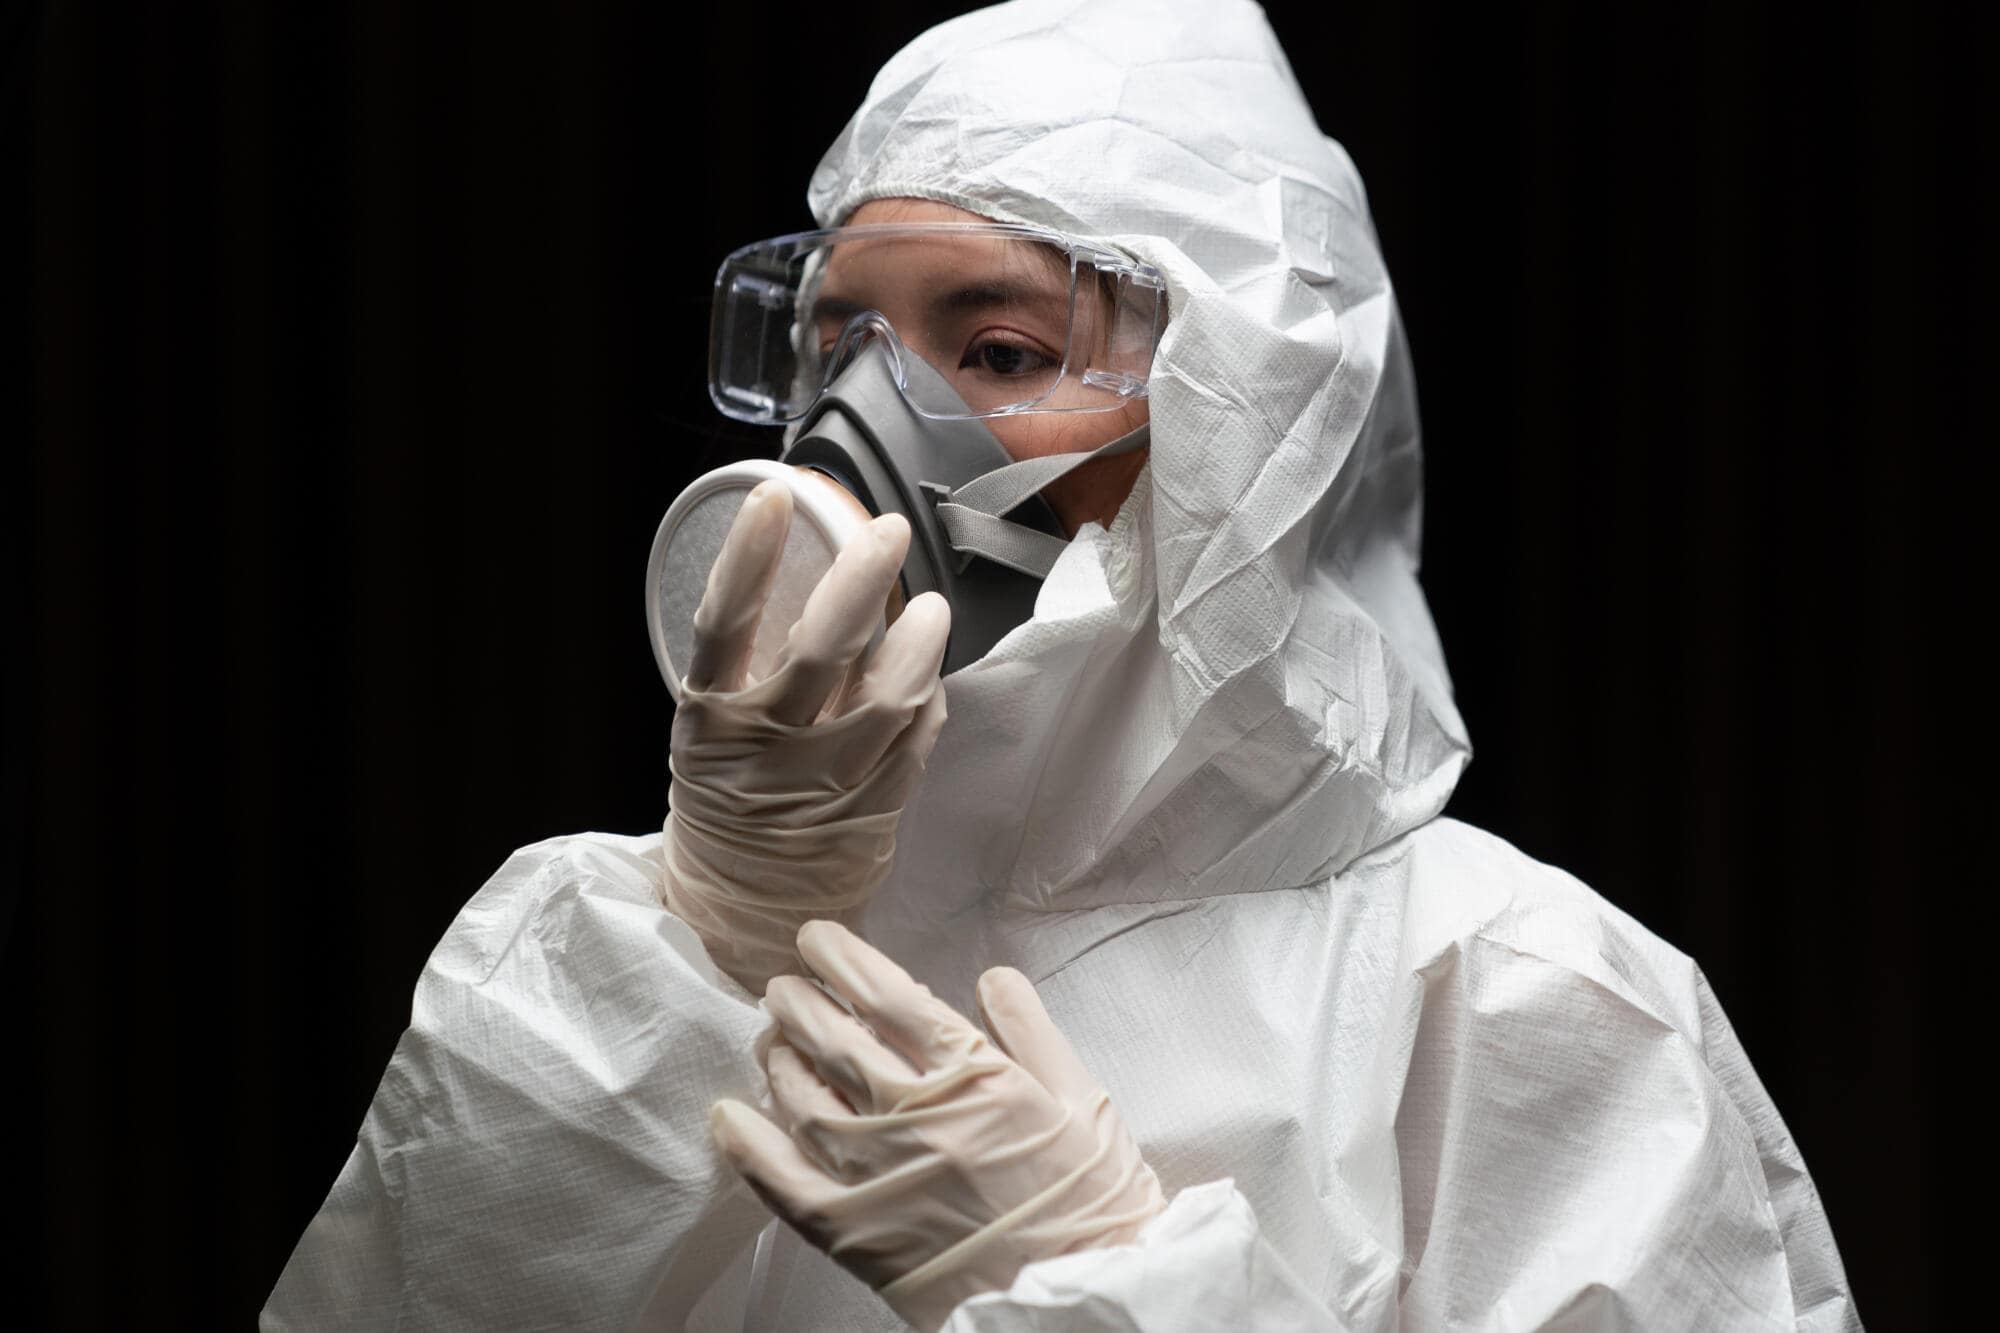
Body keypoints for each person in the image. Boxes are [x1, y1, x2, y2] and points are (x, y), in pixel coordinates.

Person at [264, 1, 1858, 1328]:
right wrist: (711, 926)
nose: (862, 435)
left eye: (1004, 351)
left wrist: (1105, 1288)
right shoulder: (628, 962)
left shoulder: (1506, 993)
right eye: (838, 351)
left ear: (1243, 422)